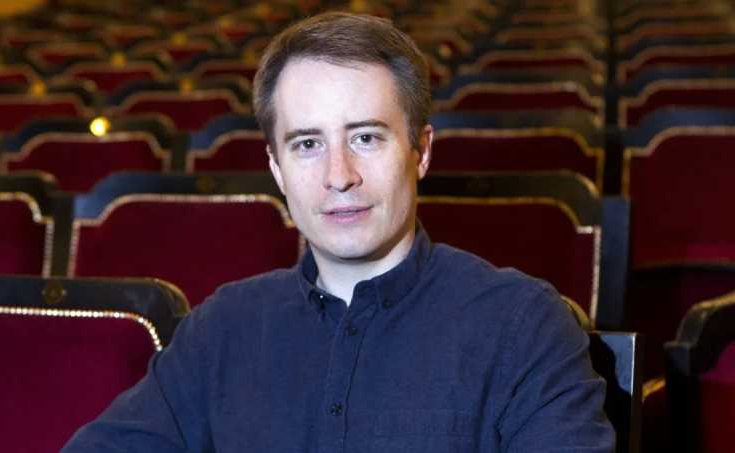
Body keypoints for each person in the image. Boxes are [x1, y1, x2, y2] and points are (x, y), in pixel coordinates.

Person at [63, 12, 614, 452]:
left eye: (365, 138)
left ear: (421, 151)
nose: (339, 175)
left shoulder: (524, 325)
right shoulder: (221, 328)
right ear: (277, 169)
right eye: (307, 144)